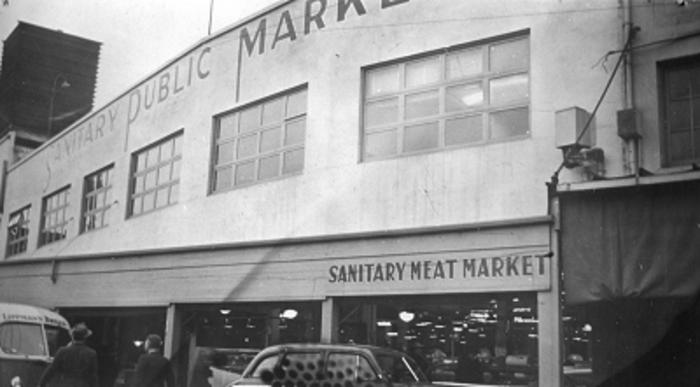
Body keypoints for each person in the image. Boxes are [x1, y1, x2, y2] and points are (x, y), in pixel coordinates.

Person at [37, 322, 99, 387]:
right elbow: (93, 376)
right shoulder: (91, 354)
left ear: (72, 336)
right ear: (85, 337)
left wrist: (41, 384)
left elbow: (52, 369)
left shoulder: (63, 351)